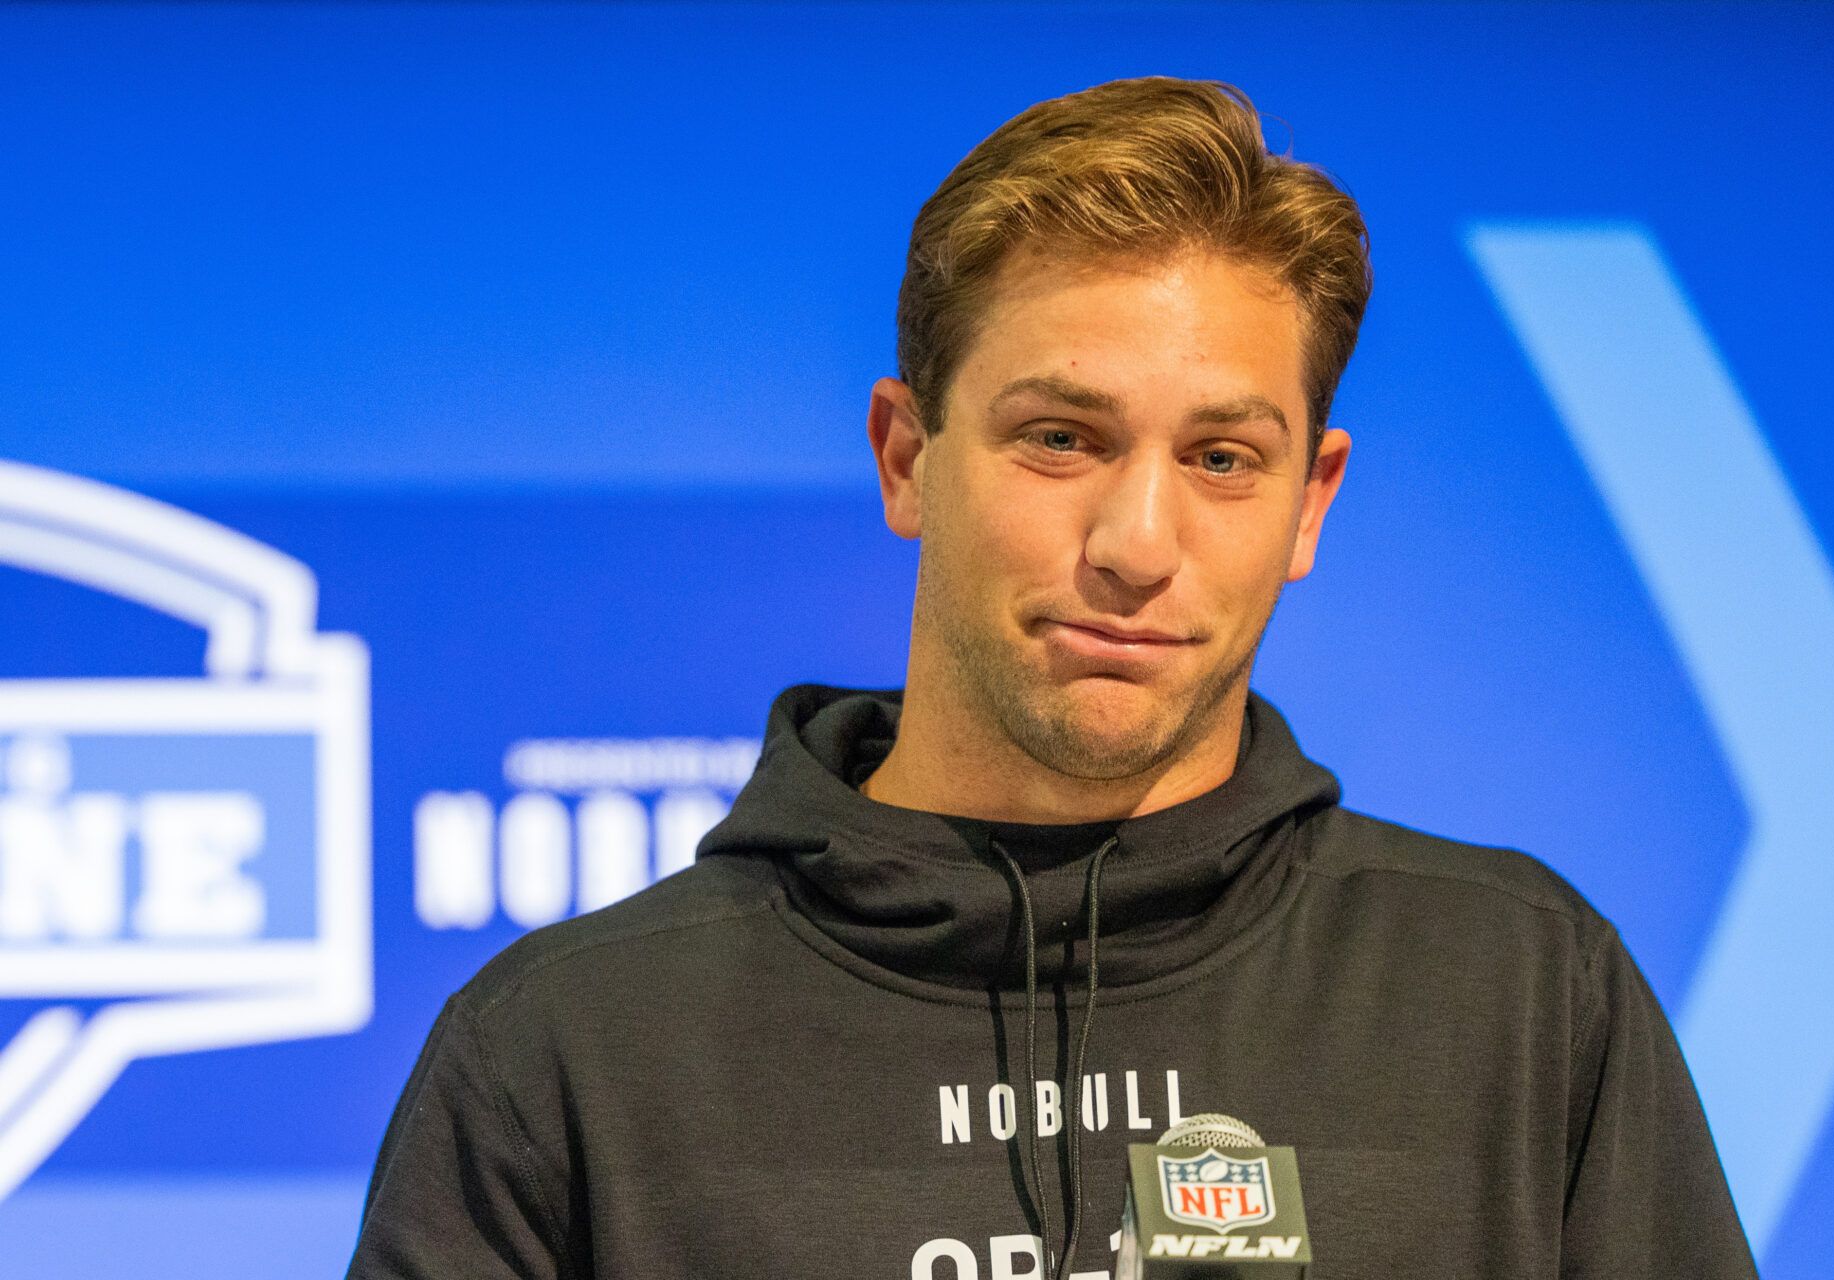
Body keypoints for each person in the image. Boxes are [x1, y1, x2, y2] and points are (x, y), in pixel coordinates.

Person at [347, 77, 1758, 1279]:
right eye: (1062, 439)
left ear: (1311, 500)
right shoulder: (570, 1054)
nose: (1138, 546)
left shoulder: (1520, 997)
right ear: (907, 456)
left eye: (1221, 460)